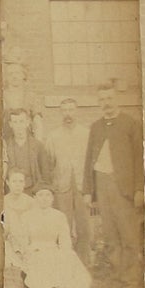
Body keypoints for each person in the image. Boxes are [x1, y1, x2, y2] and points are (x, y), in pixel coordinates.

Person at [82, 82, 144, 283]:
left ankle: (130, 274)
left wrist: (138, 189)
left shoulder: (131, 124)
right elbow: (89, 159)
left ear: (117, 99)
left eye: (109, 98)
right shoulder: (96, 127)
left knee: (127, 231)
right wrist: (88, 190)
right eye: (102, 99)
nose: (106, 103)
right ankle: (117, 273)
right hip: (102, 184)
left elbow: (139, 159)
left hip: (123, 187)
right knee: (109, 232)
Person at [12, 187, 92, 288]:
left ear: (52, 198)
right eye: (40, 195)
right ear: (34, 198)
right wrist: (27, 251)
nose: (44, 199)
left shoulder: (59, 216)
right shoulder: (27, 216)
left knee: (70, 258)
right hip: (35, 250)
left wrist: (65, 252)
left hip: (53, 249)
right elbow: (22, 240)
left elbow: (64, 239)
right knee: (42, 260)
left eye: (48, 195)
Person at [46, 96, 92, 264]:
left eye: (71, 110)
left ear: (76, 111)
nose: (68, 114)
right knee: (63, 226)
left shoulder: (86, 134)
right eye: (64, 110)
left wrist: (90, 189)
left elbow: (91, 162)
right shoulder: (53, 137)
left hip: (81, 187)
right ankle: (65, 262)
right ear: (60, 113)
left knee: (84, 226)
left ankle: (84, 263)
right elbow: (49, 165)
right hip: (61, 187)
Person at [3, 108, 52, 192]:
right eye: (15, 122)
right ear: (10, 124)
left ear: (27, 123)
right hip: (12, 191)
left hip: (33, 190)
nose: (19, 126)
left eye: (21, 121)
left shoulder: (37, 145)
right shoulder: (6, 145)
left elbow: (45, 172)